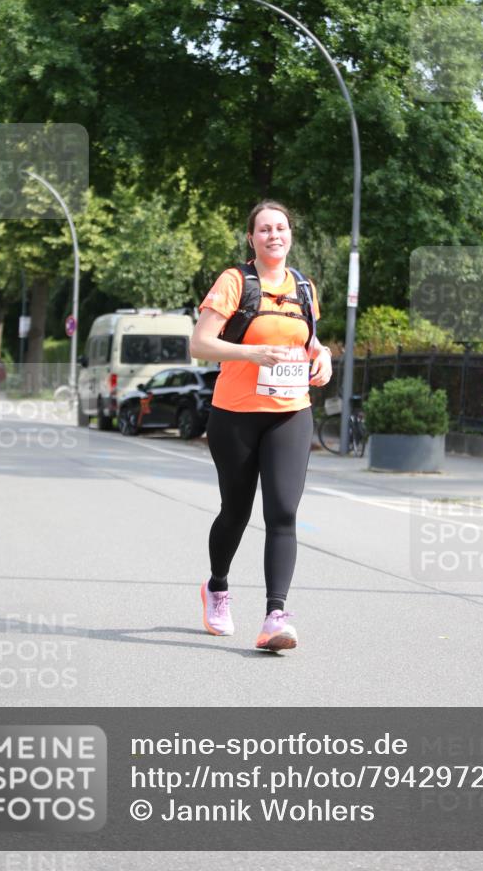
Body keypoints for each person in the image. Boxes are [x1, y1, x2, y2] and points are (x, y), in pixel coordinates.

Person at [190, 200, 332, 652]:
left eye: (282, 228)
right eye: (265, 229)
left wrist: (322, 355)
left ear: (291, 235)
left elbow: (309, 340)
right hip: (235, 414)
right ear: (251, 238)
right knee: (236, 511)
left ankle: (275, 616)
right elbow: (200, 344)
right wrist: (251, 354)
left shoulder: (304, 288)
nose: (275, 235)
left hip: (291, 411)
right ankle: (217, 587)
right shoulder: (235, 282)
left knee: (284, 512)